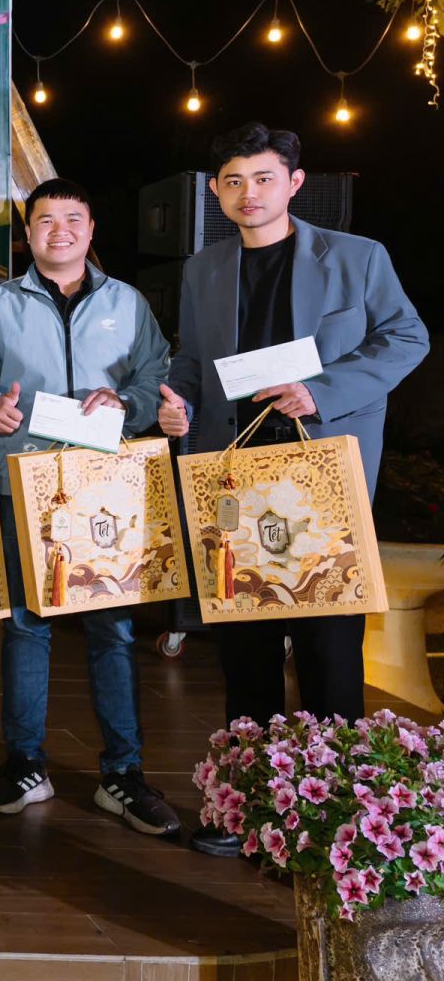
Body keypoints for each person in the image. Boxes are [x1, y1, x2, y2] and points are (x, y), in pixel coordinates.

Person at [159, 123, 429, 857]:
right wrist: (176, 404)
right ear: (216, 191)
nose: (248, 193)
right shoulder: (204, 267)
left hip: (322, 472)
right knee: (243, 648)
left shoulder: (357, 257)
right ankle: (244, 811)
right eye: (233, 181)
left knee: (328, 650)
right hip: (234, 473)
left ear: (295, 183)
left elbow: (407, 338)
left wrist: (323, 390)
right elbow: (192, 361)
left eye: (263, 178)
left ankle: (336, 820)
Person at [0, 177, 180, 836]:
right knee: (26, 625)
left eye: (73, 219)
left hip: (106, 490)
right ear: (29, 232)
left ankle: (123, 773)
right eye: (45, 220)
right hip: (24, 482)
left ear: (91, 228)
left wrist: (127, 401)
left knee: (113, 630)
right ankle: (25, 762)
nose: (60, 231)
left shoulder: (126, 302)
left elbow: (157, 374)